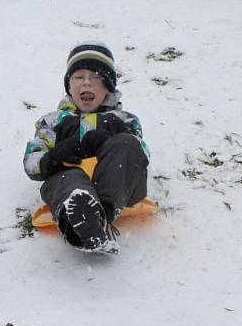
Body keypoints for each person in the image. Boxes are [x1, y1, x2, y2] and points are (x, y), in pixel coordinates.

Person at [23, 42, 150, 255]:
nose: (87, 83)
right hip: (68, 182)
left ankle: (99, 216)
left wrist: (113, 139)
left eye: (97, 77)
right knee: (69, 179)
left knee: (127, 144)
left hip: (118, 185)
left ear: (108, 86)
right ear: (69, 86)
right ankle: (81, 217)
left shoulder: (124, 119)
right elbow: (31, 163)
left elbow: (142, 154)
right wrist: (54, 156)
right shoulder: (53, 121)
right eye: (79, 77)